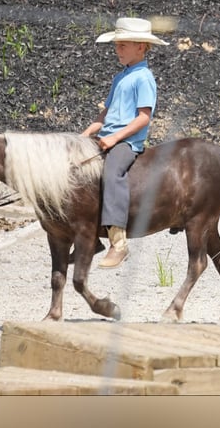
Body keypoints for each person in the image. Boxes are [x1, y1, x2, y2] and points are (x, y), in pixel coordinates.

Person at [81, 17, 168, 268]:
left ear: (141, 47)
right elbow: (104, 115)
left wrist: (114, 138)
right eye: (116, 45)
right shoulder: (121, 77)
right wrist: (84, 136)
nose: (117, 50)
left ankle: (118, 243)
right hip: (106, 136)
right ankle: (88, 234)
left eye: (123, 45)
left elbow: (143, 118)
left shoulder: (144, 78)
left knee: (112, 172)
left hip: (126, 142)